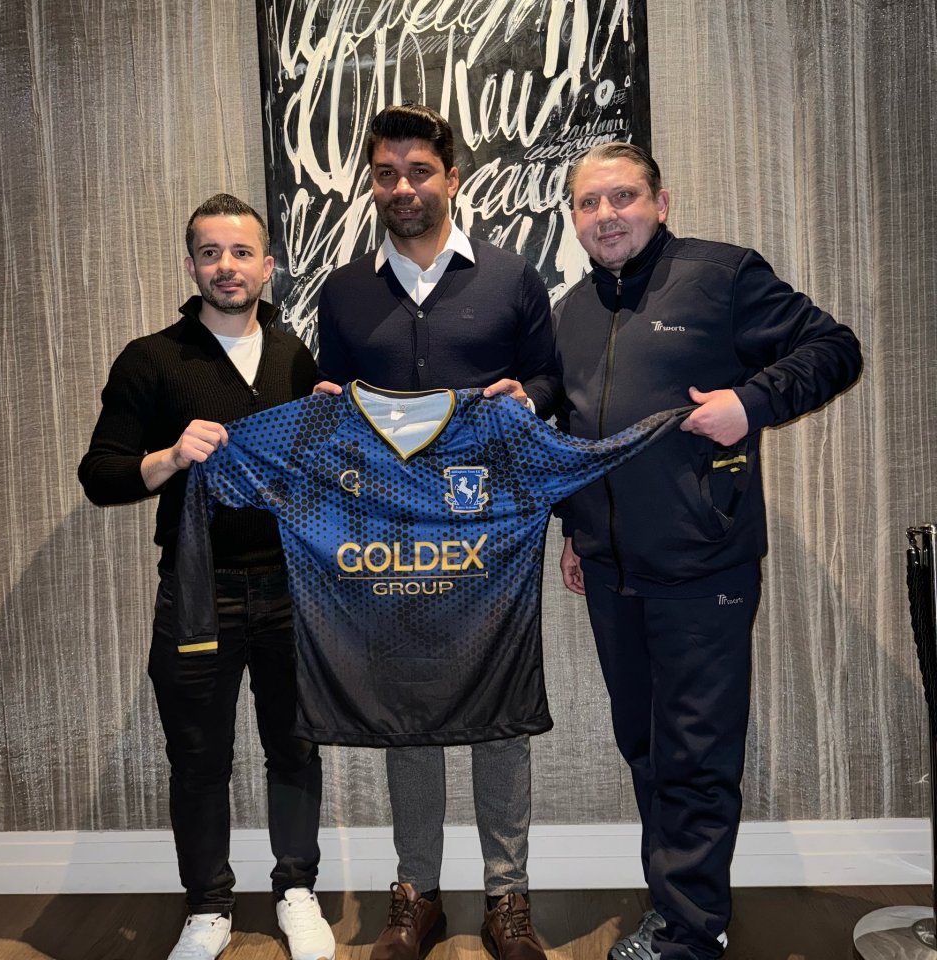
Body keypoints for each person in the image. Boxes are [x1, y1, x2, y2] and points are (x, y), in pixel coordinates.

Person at [553, 143, 862, 960]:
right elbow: (573, 436)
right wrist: (575, 532)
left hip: (704, 564)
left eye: (622, 197)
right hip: (613, 571)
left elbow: (834, 348)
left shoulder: (721, 275)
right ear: (574, 218)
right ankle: (678, 907)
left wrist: (750, 403)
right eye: (588, 203)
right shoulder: (570, 313)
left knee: (694, 751)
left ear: (661, 200)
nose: (605, 215)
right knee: (646, 746)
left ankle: (691, 935)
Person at [315, 103, 560, 960]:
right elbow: (330, 414)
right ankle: (416, 897)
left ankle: (507, 900)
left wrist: (528, 397)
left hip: (492, 540)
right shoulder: (344, 294)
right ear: (372, 184)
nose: (403, 188)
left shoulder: (511, 278)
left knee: (496, 713)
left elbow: (550, 383)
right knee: (407, 715)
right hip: (387, 541)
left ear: (452, 177)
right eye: (386, 174)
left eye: (420, 171)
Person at [78, 195, 335, 960]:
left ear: (268, 264)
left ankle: (296, 889)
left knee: (295, 745)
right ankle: (209, 905)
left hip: (292, 587)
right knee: (198, 756)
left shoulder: (295, 356)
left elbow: (318, 474)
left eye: (242, 251)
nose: (228, 266)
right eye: (211, 253)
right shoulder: (153, 358)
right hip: (198, 591)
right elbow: (101, 475)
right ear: (192, 265)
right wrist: (169, 458)